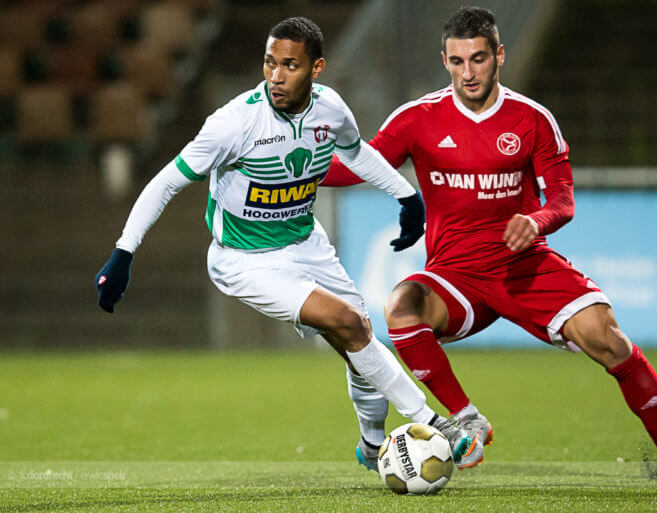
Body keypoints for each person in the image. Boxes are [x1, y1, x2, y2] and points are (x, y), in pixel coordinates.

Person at [323, 6, 657, 481]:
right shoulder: (417, 118)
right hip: (455, 273)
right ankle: (465, 417)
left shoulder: (531, 120)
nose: (468, 72)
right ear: (444, 60)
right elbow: (360, 166)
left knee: (609, 341)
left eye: (479, 59)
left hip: (523, 265)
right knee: (401, 305)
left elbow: (564, 199)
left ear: (499, 56)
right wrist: (293, 168)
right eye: (457, 61)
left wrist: (537, 219)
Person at [94, 17, 484, 471]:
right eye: (269, 63)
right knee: (350, 322)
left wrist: (405, 194)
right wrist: (124, 251)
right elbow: (165, 183)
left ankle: (373, 445)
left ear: (316, 68)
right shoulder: (233, 124)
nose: (276, 76)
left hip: (306, 243)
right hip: (245, 259)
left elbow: (356, 152)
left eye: (290, 66)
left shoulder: (331, 110)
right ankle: (435, 422)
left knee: (358, 341)